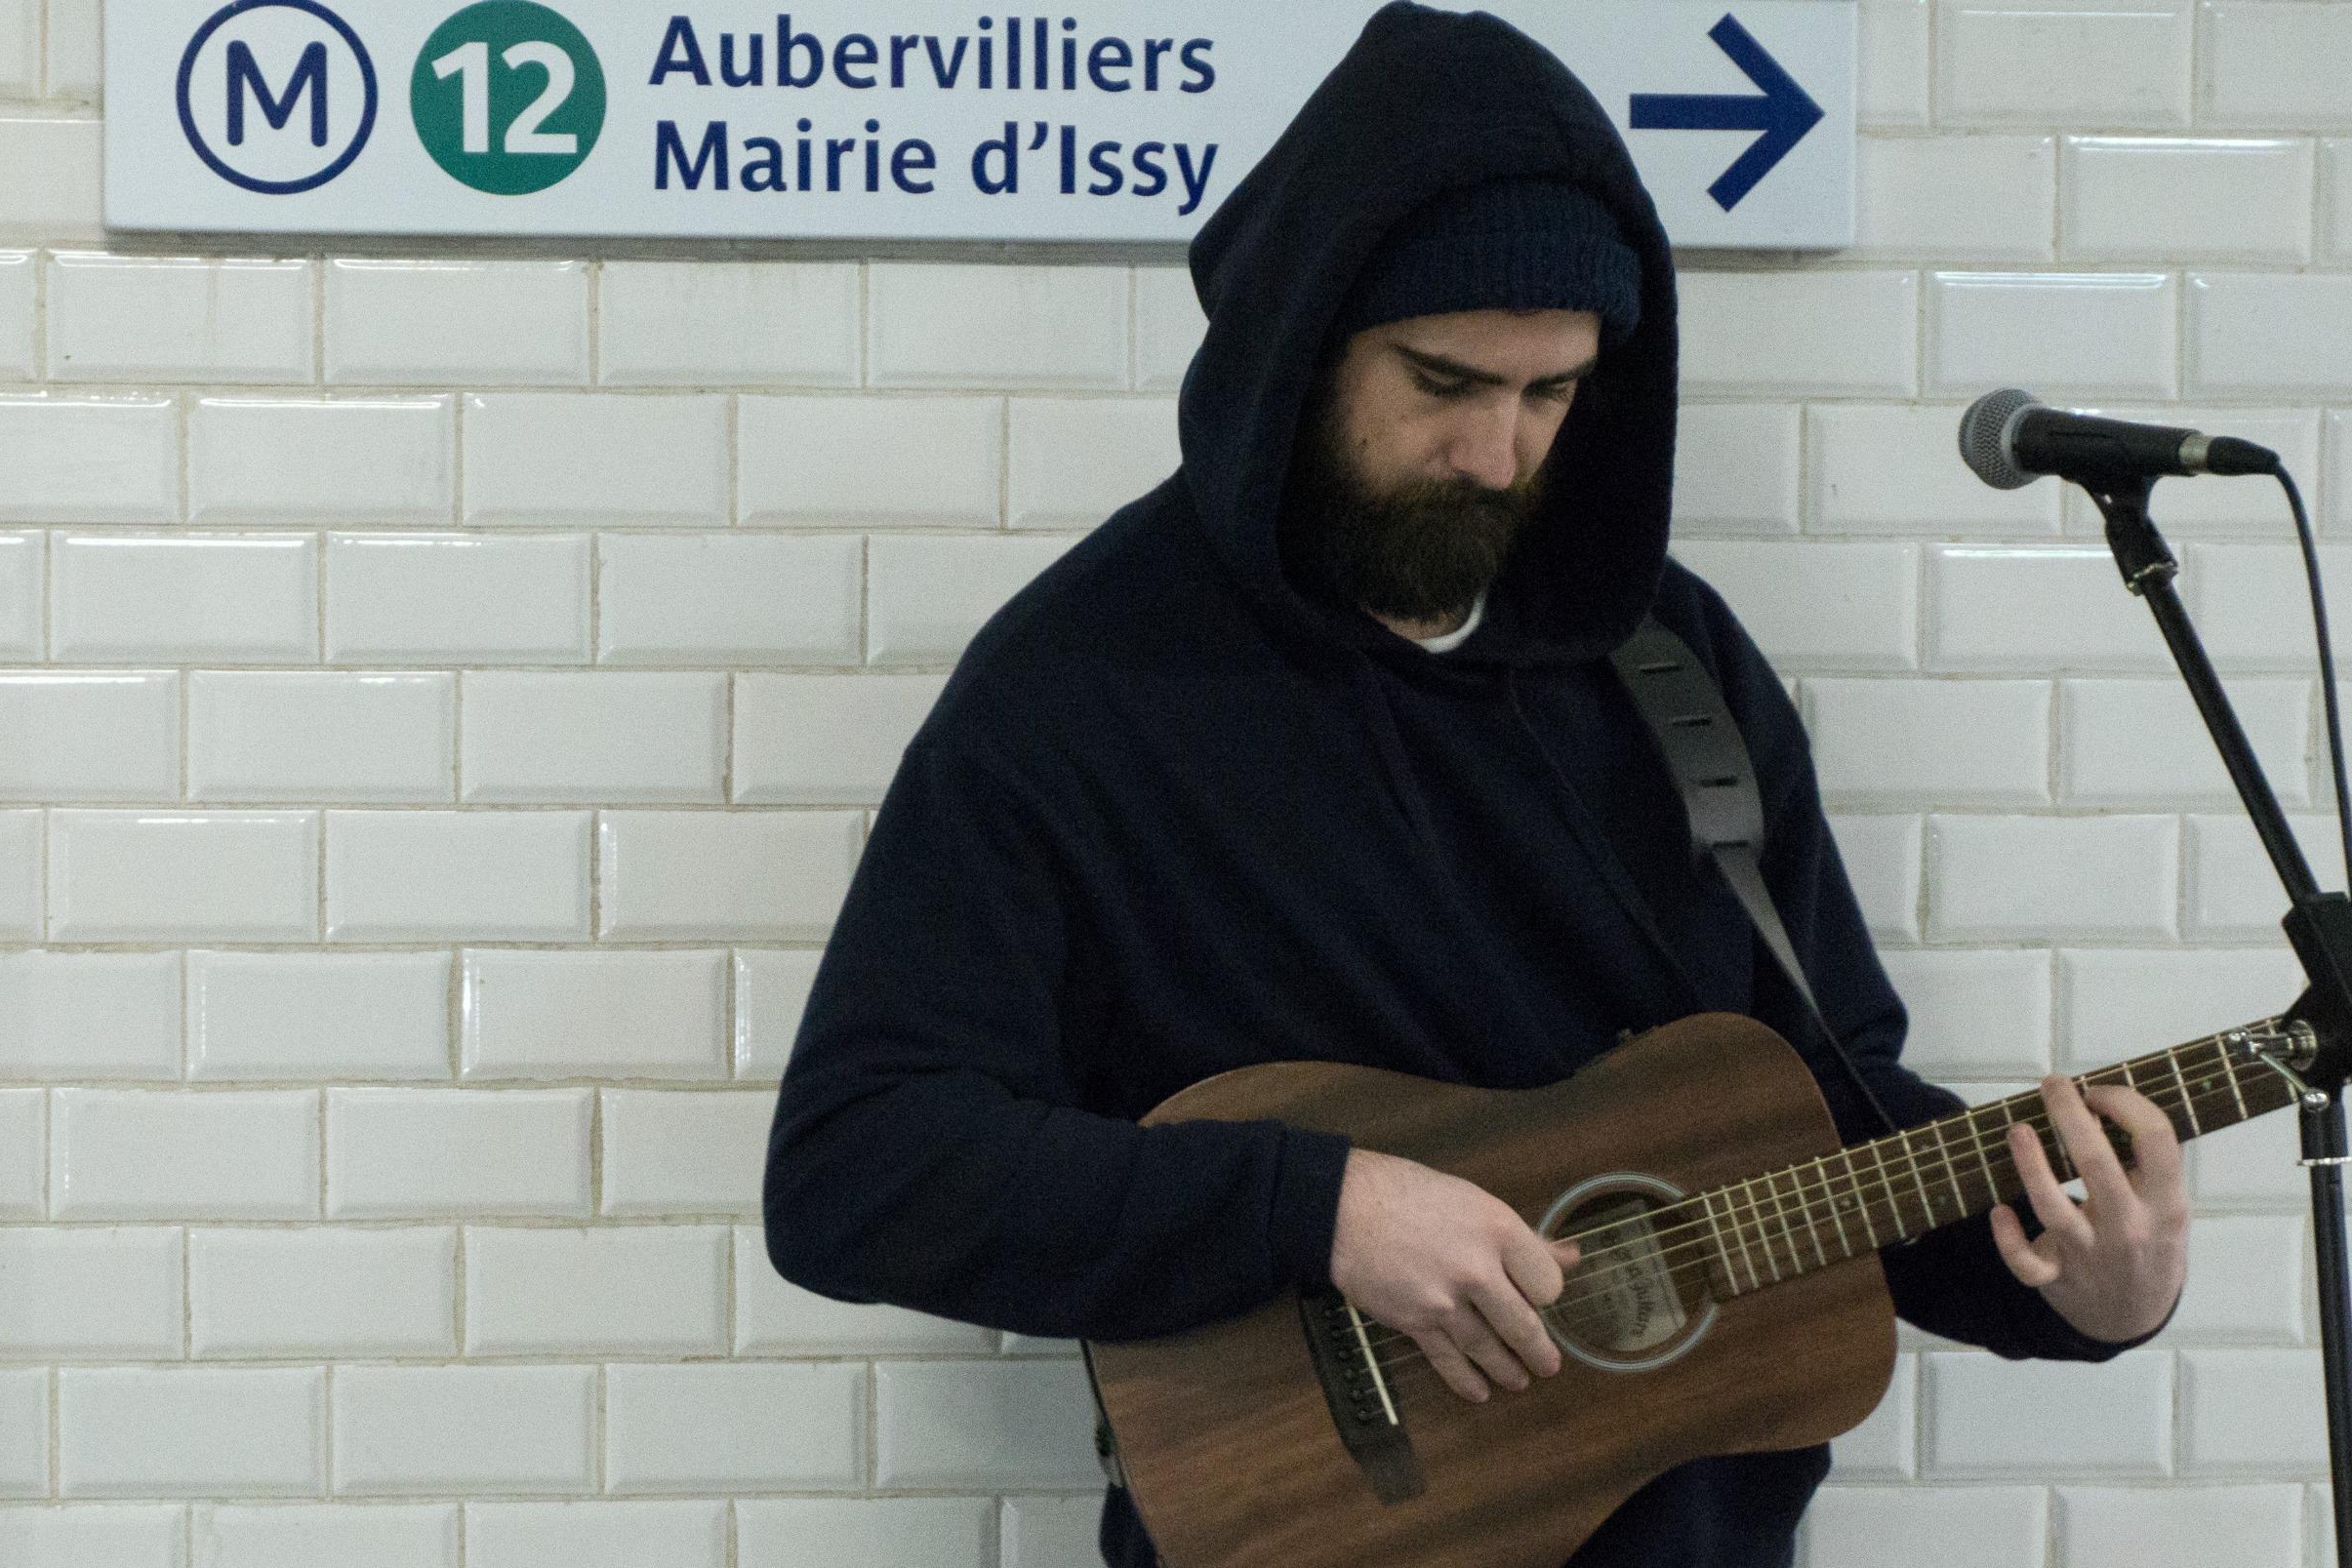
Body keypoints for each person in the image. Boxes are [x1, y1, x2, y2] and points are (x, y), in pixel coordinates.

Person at [761, 5, 2188, 1564]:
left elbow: (1826, 1128)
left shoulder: (1675, 668)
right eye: (1445, 382)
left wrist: (2084, 1293)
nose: (1498, 458)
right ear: (1303, 342)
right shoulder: (1083, 690)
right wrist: (1318, 1208)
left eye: (1552, 396)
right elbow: (859, 1166)